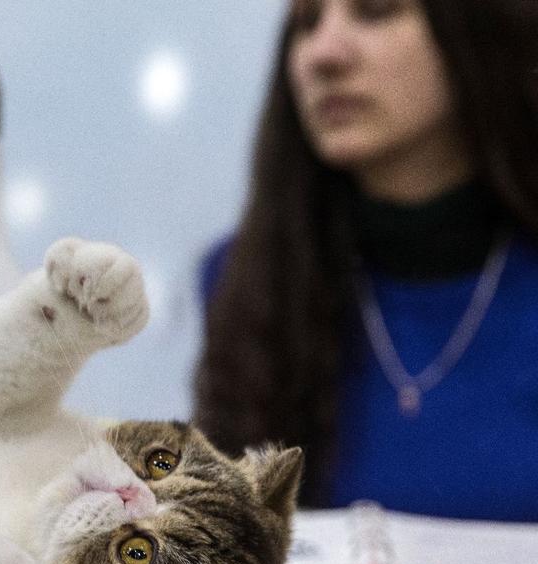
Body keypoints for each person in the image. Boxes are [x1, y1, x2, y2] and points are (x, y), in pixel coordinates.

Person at [193, 0, 538, 522]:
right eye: (307, 23)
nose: (323, 55)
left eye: (375, 11)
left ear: (476, 27)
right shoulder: (245, 284)